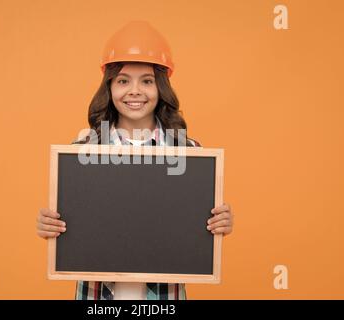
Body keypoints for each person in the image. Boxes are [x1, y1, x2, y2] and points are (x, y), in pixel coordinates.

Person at [36, 21, 234, 300]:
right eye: (123, 80)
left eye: (147, 81)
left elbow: (197, 227)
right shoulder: (82, 151)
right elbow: (72, 224)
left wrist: (219, 222)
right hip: (98, 298)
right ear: (109, 86)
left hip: (164, 300)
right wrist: (50, 225)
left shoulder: (189, 152)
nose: (135, 91)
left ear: (161, 87)